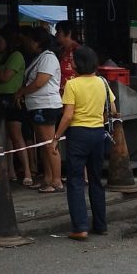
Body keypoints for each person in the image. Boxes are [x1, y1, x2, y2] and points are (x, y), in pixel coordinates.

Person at [53, 46, 117, 240]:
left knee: (75, 181)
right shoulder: (102, 82)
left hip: (78, 135)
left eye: (73, 60)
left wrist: (55, 137)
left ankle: (80, 227)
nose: (71, 62)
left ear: (78, 63)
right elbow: (112, 110)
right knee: (96, 180)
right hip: (98, 134)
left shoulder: (72, 85)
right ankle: (101, 224)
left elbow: (68, 115)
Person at [16, 26, 63, 193]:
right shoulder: (41, 57)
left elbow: (39, 81)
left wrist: (22, 92)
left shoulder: (48, 58)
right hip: (38, 105)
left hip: (46, 105)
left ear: (37, 42)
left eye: (30, 40)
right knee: (44, 143)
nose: (27, 44)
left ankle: (56, 180)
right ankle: (48, 178)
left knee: (49, 144)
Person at [0, 25, 31, 186]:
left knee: (16, 135)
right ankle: (10, 170)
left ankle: (27, 171)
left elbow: (5, 77)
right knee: (3, 136)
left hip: (12, 98)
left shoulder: (16, 56)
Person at [56, 20, 82, 93]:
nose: (56, 34)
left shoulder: (79, 51)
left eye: (59, 32)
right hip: (62, 92)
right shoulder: (60, 51)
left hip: (76, 91)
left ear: (68, 33)